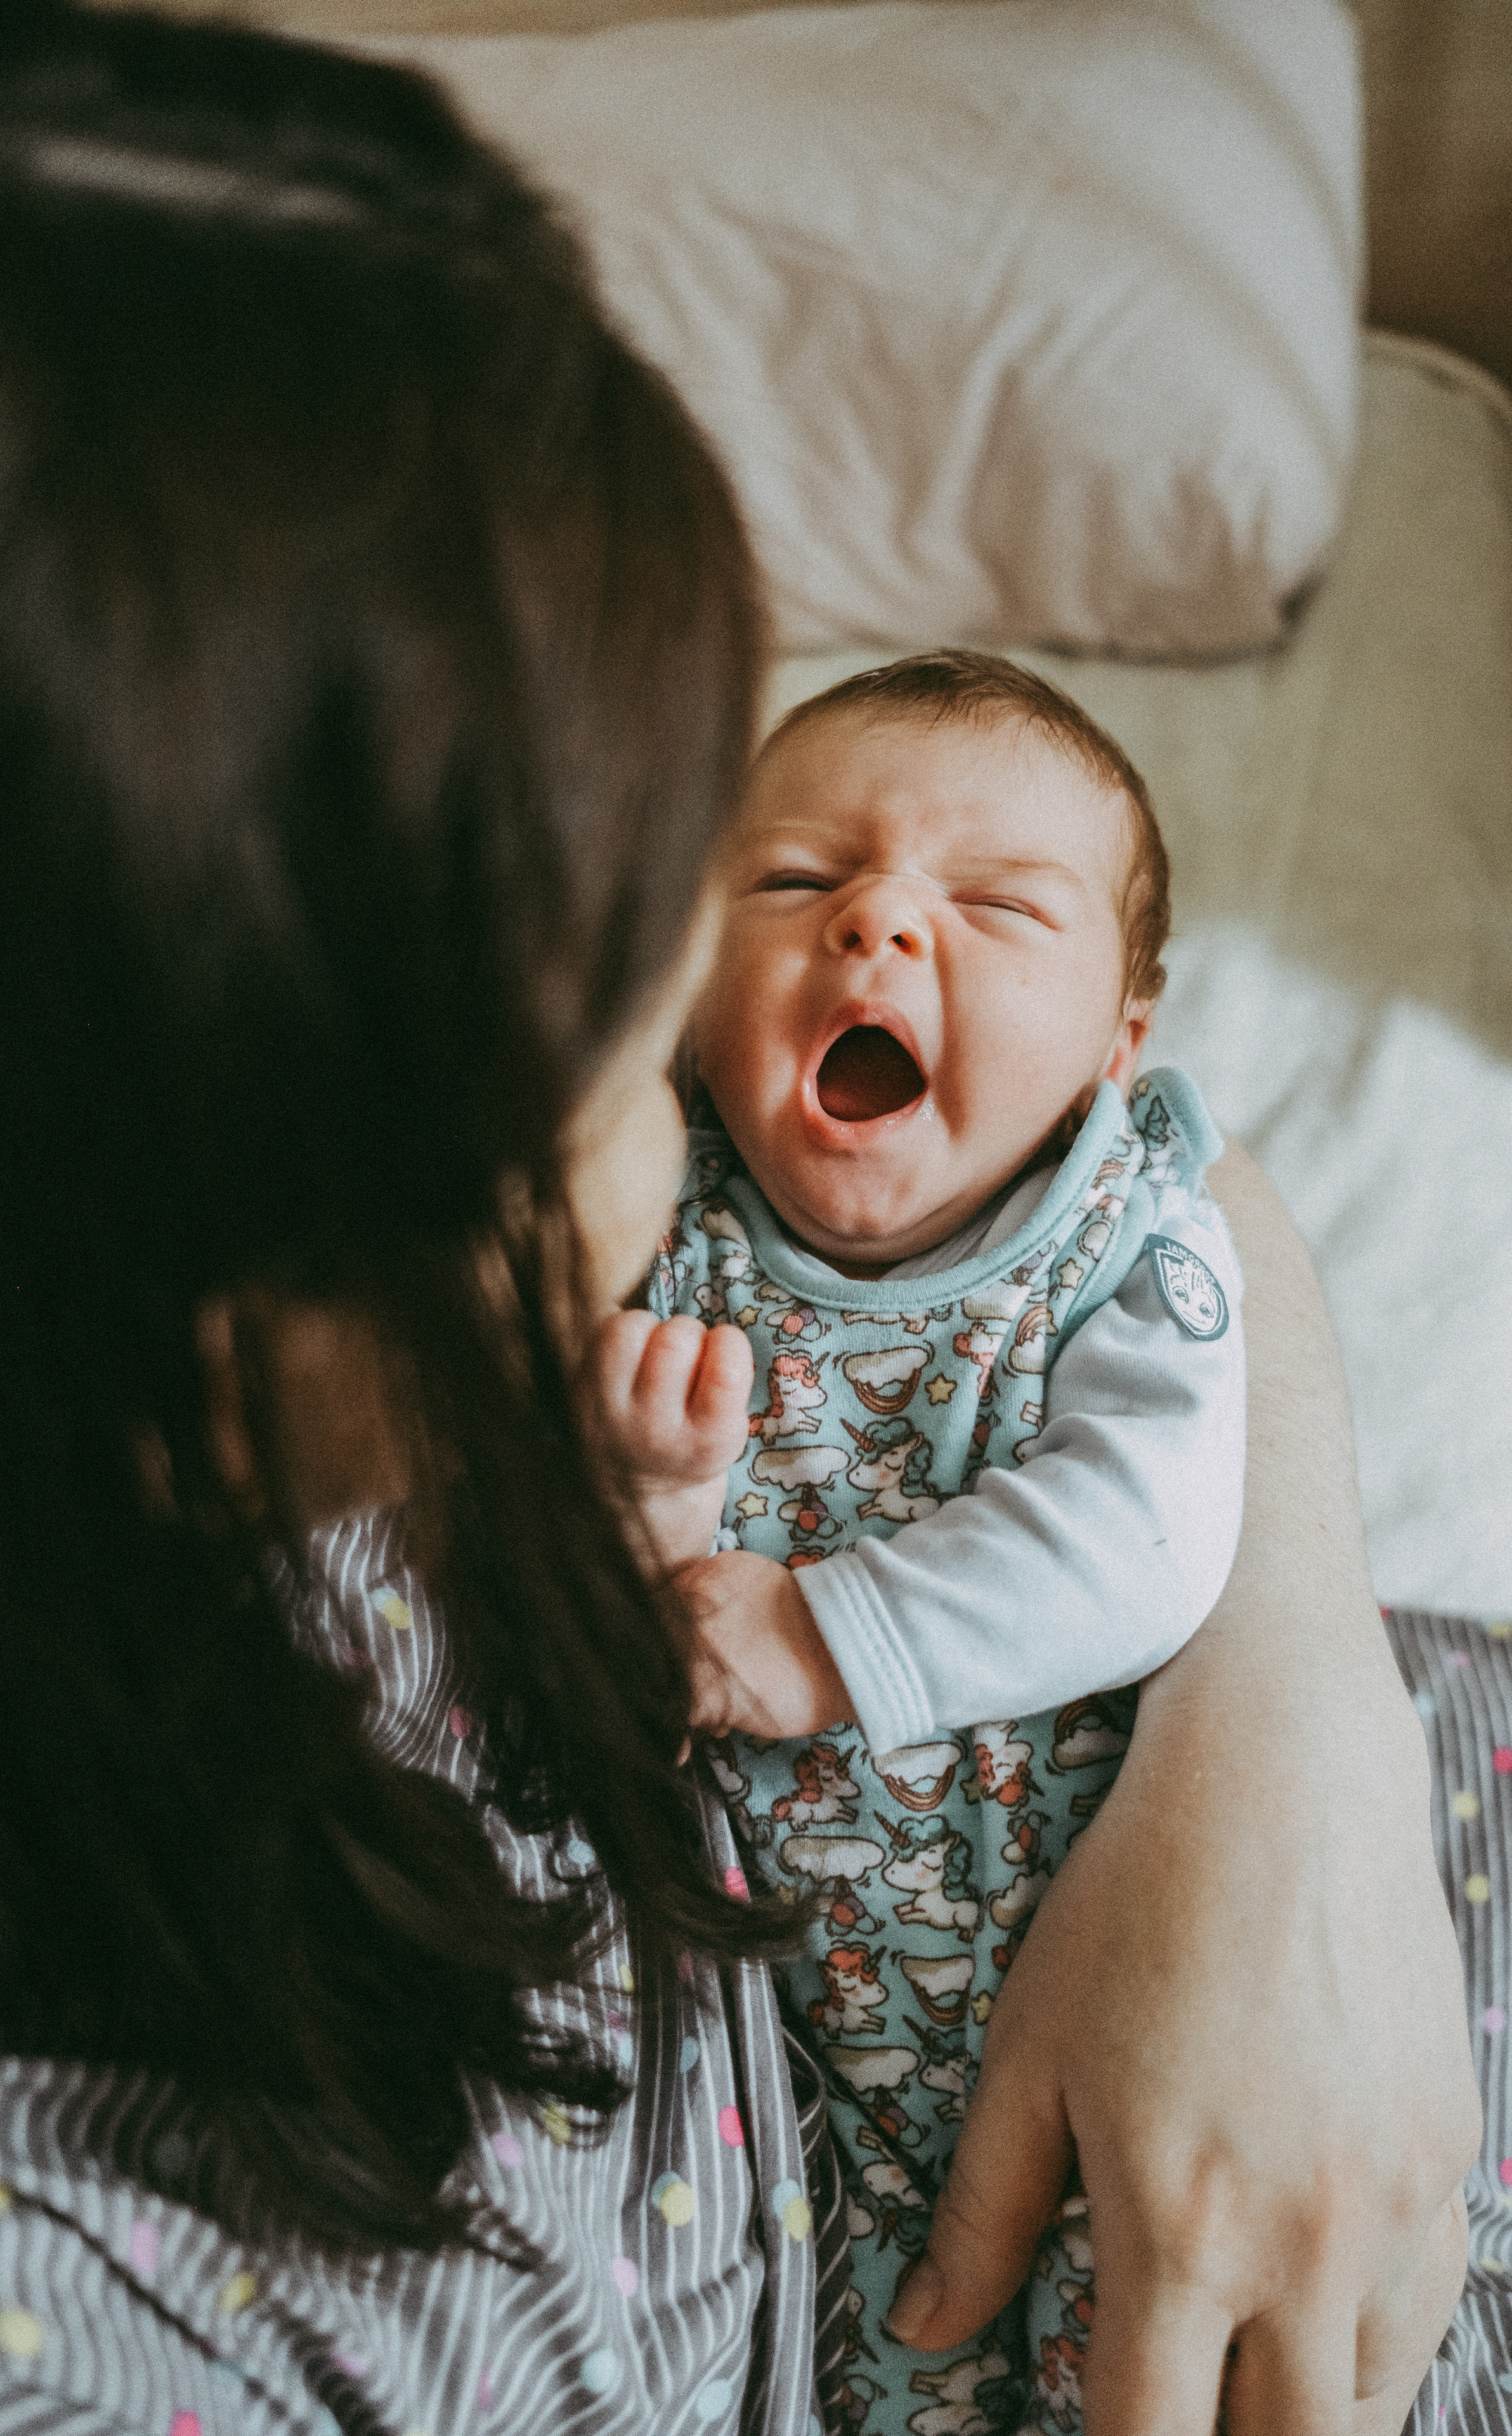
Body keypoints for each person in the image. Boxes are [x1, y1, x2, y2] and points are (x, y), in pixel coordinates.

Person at [0, 4, 1476, 2433]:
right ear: (266, 1270)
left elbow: (1150, 1185)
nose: (839, 969)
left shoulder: (293, 1427)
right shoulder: (48, 2318)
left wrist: (1282, 1741)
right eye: (670, 987)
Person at [597, 650, 1246, 2430]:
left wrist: (808, 1640)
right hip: (789, 2062)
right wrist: (650, 1509)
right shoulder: (667, 1230)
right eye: (796, 881)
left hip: (1090, 2002)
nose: (877, 919)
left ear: (1122, 1039)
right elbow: (599, 1611)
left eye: (993, 905)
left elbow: (1153, 1529)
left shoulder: (1124, 1245)